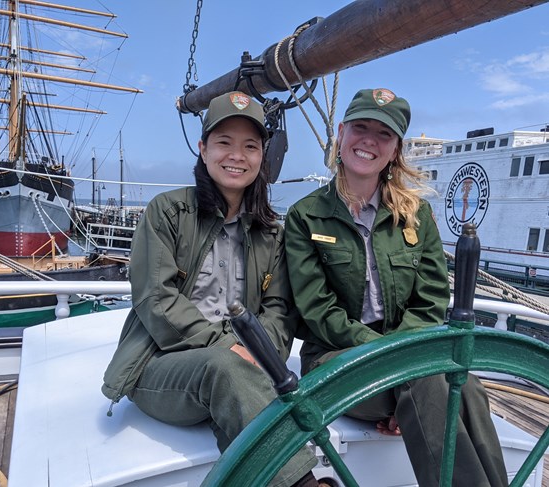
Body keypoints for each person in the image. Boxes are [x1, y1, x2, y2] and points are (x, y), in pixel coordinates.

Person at [285, 88, 508, 487]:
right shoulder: (306, 217)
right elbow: (317, 310)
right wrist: (389, 358)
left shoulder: (416, 214)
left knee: (465, 385)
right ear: (341, 133)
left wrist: (400, 361)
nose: (369, 140)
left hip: (409, 362)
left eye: (383, 134)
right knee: (432, 382)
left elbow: (432, 300)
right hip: (337, 363)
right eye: (361, 127)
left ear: (395, 149)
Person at [102, 92, 322, 487]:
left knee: (234, 378)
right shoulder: (167, 212)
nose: (237, 155)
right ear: (203, 150)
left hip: (242, 372)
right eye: (224, 142)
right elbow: (156, 298)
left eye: (250, 146)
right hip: (160, 366)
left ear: (262, 157)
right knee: (224, 368)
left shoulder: (271, 233)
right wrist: (230, 347)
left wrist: (257, 351)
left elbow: (279, 309)